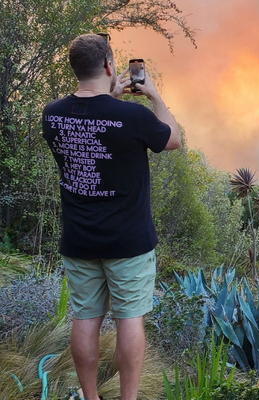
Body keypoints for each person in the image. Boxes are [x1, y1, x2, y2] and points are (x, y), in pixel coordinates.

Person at [41, 33, 181, 400]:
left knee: (84, 319)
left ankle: (91, 397)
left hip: (79, 239)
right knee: (129, 319)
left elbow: (90, 128)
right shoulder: (132, 115)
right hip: (128, 242)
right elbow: (173, 139)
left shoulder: (51, 114)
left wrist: (108, 99)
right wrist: (153, 95)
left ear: (76, 67)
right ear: (109, 66)